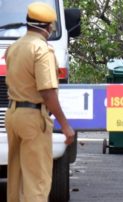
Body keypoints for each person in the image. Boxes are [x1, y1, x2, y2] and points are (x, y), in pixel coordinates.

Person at [4, 2, 75, 201]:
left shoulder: (14, 48)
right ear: (47, 27)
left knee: (16, 181)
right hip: (33, 118)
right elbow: (47, 92)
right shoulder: (42, 50)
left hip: (13, 115)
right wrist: (65, 125)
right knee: (37, 181)